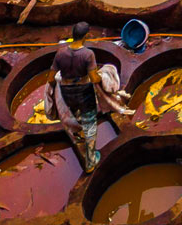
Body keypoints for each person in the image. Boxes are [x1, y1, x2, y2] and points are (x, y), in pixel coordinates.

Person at [49, 24, 130, 171]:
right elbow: (94, 78)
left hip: (67, 93)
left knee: (74, 116)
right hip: (84, 93)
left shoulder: (60, 53)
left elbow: (50, 78)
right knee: (90, 123)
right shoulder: (87, 55)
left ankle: (78, 136)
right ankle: (91, 160)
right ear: (86, 36)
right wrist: (105, 78)